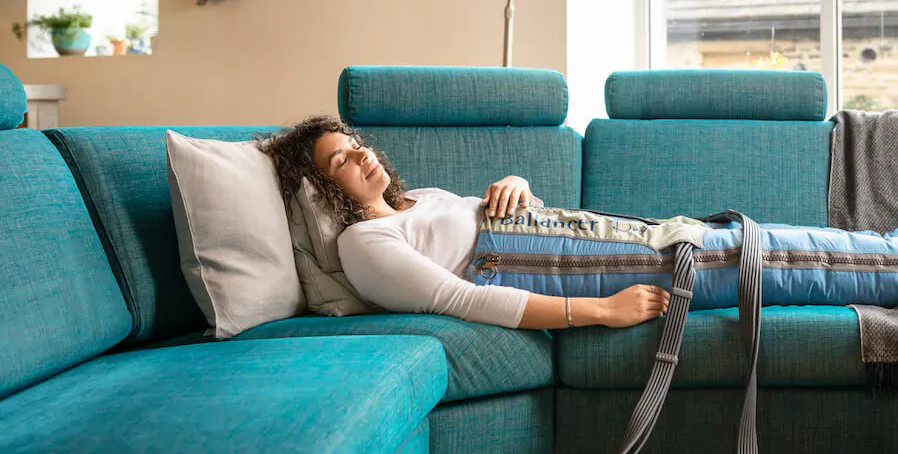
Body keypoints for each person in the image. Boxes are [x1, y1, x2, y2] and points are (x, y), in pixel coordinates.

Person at [260, 116, 671, 330]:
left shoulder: (421, 198)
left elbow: (534, 220)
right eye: (341, 161)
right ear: (319, 191)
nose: (362, 155)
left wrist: (518, 185)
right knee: (710, 261)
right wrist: (602, 310)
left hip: (571, 233)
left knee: (699, 235)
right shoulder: (364, 242)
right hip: (556, 269)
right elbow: (464, 301)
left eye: (356, 145)